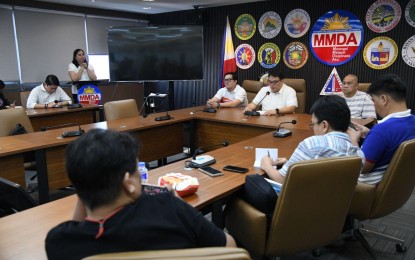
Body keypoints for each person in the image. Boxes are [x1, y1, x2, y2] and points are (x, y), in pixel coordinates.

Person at [45, 129, 236, 259]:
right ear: (128, 183)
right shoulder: (169, 209)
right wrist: (178, 204)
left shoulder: (59, 241)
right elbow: (229, 249)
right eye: (137, 169)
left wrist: (86, 187)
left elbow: (78, 225)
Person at [261, 95, 365, 184]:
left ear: (324, 125)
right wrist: (290, 163)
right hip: (334, 205)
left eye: (313, 124)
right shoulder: (358, 154)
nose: (313, 128)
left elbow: (282, 179)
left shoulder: (313, 144)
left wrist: (267, 165)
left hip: (295, 205)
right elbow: (324, 172)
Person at [348, 74, 415, 185]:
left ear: (384, 99)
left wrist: (354, 140)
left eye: (373, 101)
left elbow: (361, 167)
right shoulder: (412, 120)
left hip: (364, 188)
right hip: (397, 186)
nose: (374, 105)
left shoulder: (381, 130)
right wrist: (370, 133)